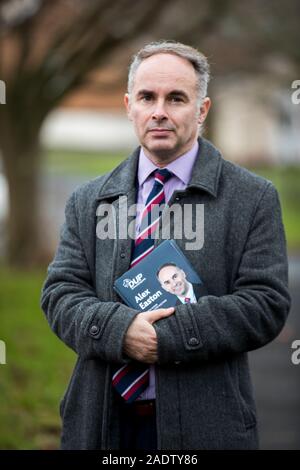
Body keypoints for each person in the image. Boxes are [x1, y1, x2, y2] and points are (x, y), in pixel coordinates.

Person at [41, 40, 290, 450]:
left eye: (176, 98)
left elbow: (266, 303)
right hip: (101, 425)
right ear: (128, 105)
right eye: (147, 97)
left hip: (208, 427)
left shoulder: (252, 197)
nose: (159, 111)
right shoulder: (88, 200)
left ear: (202, 110)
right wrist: (121, 332)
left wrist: (168, 338)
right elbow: (60, 294)